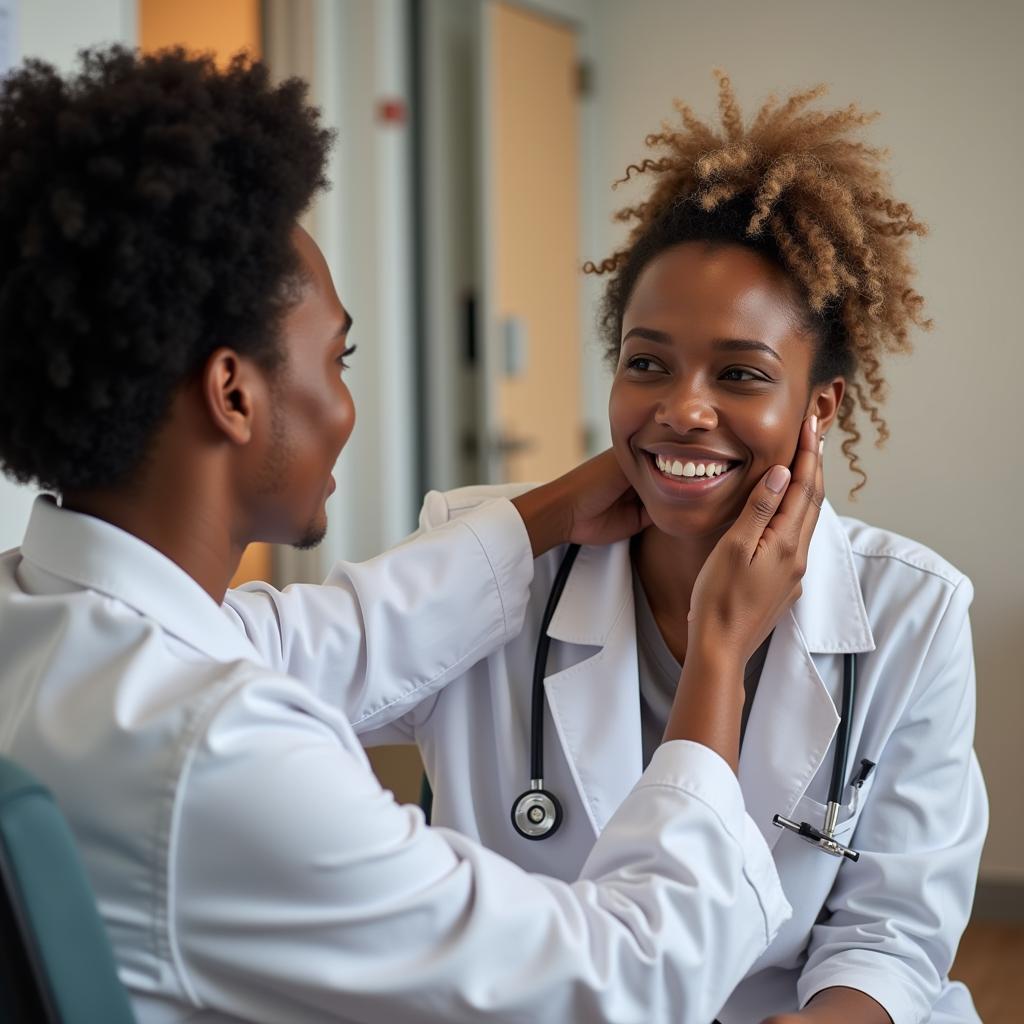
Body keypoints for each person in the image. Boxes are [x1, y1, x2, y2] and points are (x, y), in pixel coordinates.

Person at [0, 48, 828, 1024]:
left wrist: (546, 511)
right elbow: (621, 981)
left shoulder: (41, 618)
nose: (348, 403)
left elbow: (328, 634)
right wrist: (719, 654)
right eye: (336, 358)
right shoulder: (220, 753)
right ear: (233, 393)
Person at [384, 74, 987, 1024]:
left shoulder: (911, 611)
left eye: (741, 374)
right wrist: (540, 512)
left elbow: (890, 936)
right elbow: (276, 675)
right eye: (647, 362)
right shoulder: (496, 556)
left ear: (819, 408)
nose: (682, 409)